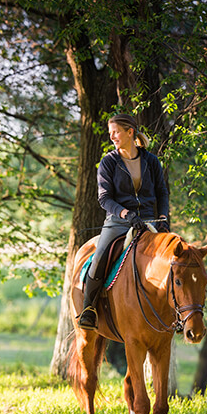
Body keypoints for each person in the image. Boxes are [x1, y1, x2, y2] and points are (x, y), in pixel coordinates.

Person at [78, 113, 170, 330]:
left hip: (149, 220)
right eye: (110, 133)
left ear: (130, 132)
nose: (113, 137)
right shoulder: (108, 162)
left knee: (175, 257)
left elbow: (162, 192)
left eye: (116, 132)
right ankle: (89, 309)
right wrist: (126, 214)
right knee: (99, 257)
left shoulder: (151, 161)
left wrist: (164, 218)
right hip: (118, 221)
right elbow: (104, 199)